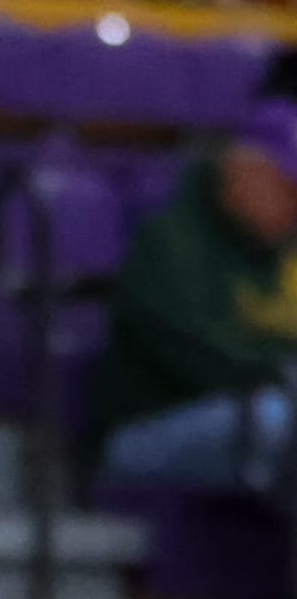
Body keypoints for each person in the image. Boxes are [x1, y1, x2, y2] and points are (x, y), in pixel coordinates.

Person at [87, 88, 297, 492]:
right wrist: (277, 377)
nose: (294, 206)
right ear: (241, 170)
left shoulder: (282, 249)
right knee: (273, 418)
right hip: (150, 428)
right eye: (286, 188)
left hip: (254, 414)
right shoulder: (170, 242)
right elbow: (191, 356)